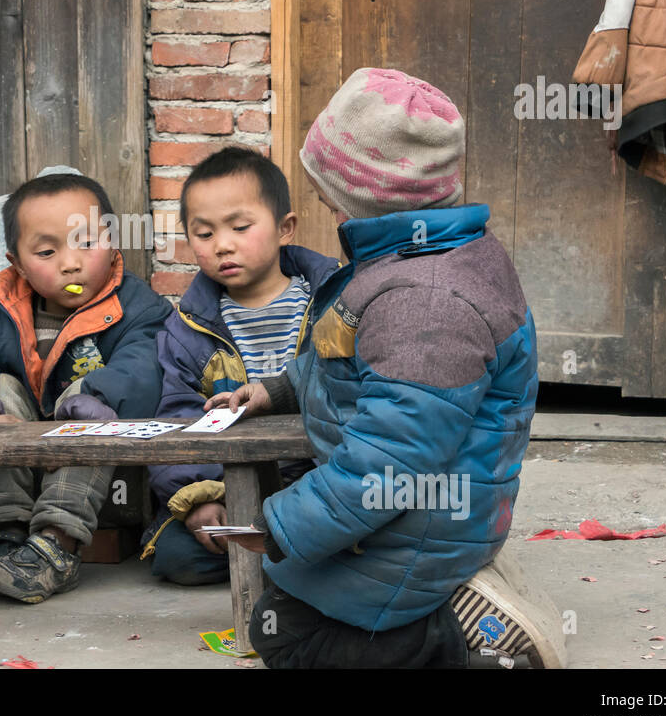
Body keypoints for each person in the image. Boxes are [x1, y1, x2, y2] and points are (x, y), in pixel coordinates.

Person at [214, 68, 565, 669]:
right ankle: (455, 599)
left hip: (418, 519)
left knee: (284, 639)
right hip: (411, 512)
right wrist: (276, 389)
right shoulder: (413, 254)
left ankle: (469, 638)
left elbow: (391, 463)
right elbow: (348, 360)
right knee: (284, 605)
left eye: (325, 183)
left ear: (363, 191)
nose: (317, 195)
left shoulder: (426, 300)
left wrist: (281, 523)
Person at [0, 173, 171, 603]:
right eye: (47, 252)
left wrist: (93, 397)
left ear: (114, 240)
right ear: (18, 264)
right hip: (20, 456)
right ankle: (5, 536)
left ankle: (56, 543)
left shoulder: (138, 307)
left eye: (86, 243)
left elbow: (145, 366)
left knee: (91, 403)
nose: (71, 263)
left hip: (106, 478)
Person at [141, 147, 339, 586]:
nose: (223, 245)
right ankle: (295, 559)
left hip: (321, 476)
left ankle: (296, 552)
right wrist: (198, 499)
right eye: (204, 234)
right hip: (234, 482)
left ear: (284, 228)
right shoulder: (188, 327)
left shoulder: (331, 303)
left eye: (240, 227)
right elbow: (177, 414)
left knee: (347, 525)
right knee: (177, 557)